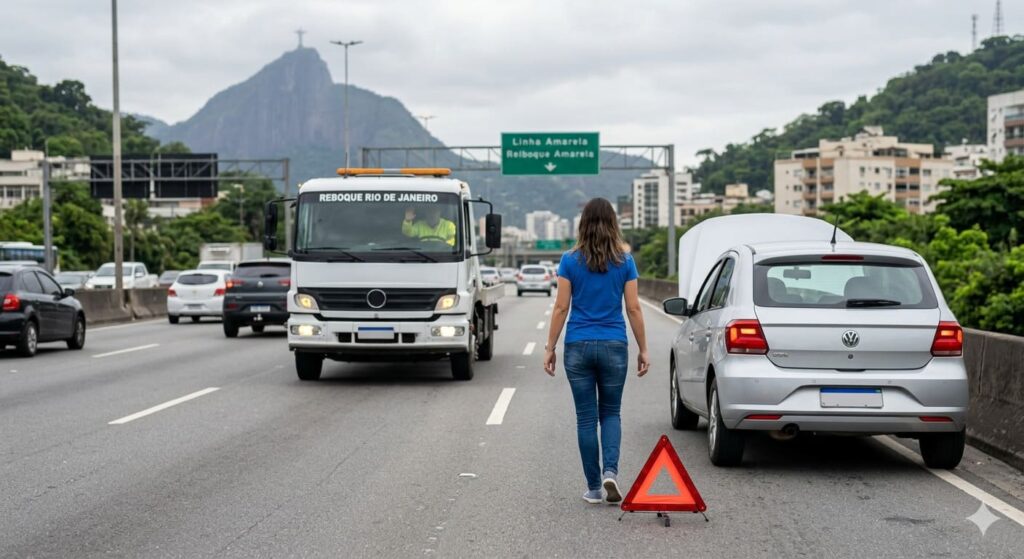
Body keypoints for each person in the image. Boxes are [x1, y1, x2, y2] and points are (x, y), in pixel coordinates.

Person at [543, 197, 650, 505]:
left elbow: (562, 306)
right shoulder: (625, 261)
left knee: (586, 418)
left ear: (582, 223)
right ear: (614, 223)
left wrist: (550, 347)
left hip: (578, 345)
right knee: (611, 413)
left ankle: (593, 487)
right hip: (615, 345)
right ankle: (611, 473)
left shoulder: (569, 260)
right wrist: (644, 349)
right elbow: (633, 308)